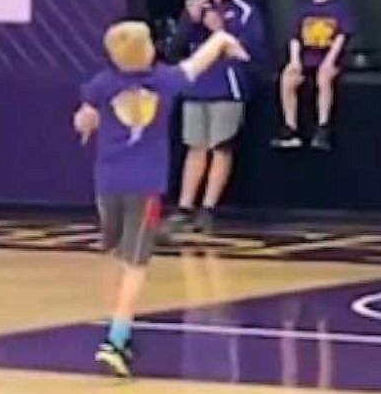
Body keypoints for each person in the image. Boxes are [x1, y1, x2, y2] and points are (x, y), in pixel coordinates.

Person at [71, 22, 250, 378]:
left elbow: (83, 118)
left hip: (107, 182)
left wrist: (87, 123)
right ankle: (115, 340)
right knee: (137, 264)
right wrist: (223, 39)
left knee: (115, 254)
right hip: (145, 184)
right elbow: (200, 60)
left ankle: (116, 324)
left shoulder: (102, 84)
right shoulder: (165, 81)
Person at [167, 0, 264, 233]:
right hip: (197, 86)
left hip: (227, 85)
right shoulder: (196, 8)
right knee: (195, 146)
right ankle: (185, 207)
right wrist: (190, 21)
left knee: (220, 146)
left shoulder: (244, 11)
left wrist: (220, 30)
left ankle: (208, 208)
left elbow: (252, 51)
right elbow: (175, 50)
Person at [272, 0, 355, 151]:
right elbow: (295, 38)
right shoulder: (303, 9)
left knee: (324, 79)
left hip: (329, 57)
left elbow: (341, 37)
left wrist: (330, 61)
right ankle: (290, 128)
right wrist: (294, 61)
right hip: (306, 58)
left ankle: (323, 126)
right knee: (287, 79)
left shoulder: (339, 9)